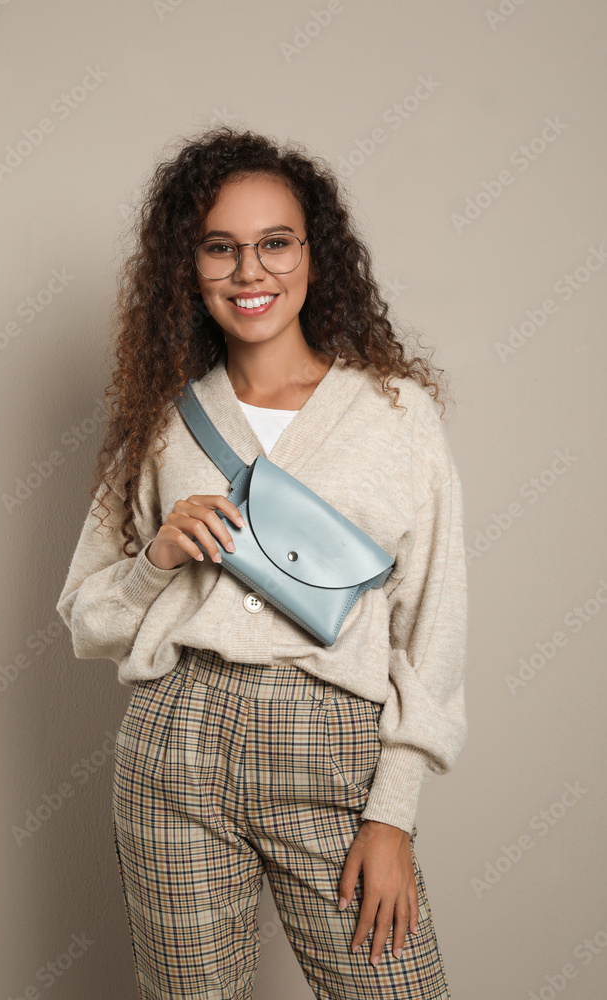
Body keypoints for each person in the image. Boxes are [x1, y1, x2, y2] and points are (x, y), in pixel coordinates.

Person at [56, 125, 468, 1000]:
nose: (251, 272)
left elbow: (433, 624)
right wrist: (156, 560)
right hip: (175, 741)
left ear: (315, 255)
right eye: (220, 248)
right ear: (189, 267)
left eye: (276, 243)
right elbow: (87, 621)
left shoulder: (395, 414)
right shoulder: (164, 424)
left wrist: (392, 814)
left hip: (333, 743)